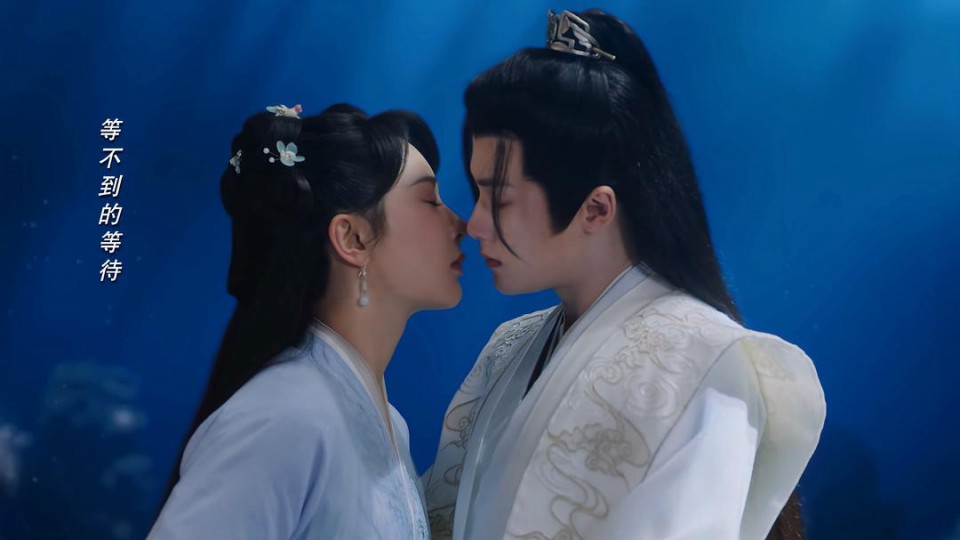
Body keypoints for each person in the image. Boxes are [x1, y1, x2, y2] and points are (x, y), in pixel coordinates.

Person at [423, 9, 825, 540]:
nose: (474, 223)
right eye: (478, 193)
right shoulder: (509, 347)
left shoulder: (707, 366)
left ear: (596, 208)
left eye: (500, 198)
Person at [150, 102, 465, 539]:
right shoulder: (284, 418)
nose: (461, 224)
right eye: (429, 201)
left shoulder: (388, 423)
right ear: (353, 238)